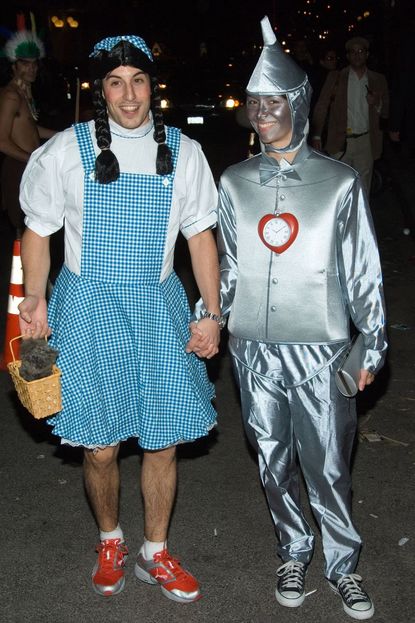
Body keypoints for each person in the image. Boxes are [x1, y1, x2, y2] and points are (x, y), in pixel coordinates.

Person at [190, 16, 387, 620]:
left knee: (327, 462)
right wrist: (209, 315)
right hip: (254, 348)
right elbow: (227, 264)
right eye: (255, 103)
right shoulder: (236, 181)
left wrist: (368, 349)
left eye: (275, 100)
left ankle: (342, 564)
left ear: (299, 104)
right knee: (270, 456)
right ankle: (294, 549)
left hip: (320, 348)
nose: (263, 111)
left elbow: (364, 273)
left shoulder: (340, 182)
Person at [18, 34, 222, 602]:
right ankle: (111, 539)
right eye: (115, 82)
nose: (128, 95)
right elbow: (38, 230)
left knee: (163, 442)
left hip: (158, 307)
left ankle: (155, 552)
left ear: (153, 86)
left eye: (137, 80)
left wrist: (212, 311)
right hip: (87, 308)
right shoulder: (66, 148)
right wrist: (33, 296)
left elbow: (200, 237)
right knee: (100, 447)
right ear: (100, 89)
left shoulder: (184, 151)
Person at [311, 36, 389, 195]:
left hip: (366, 142)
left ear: (367, 54)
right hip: (340, 142)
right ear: (347, 56)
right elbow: (322, 105)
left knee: (363, 188)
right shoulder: (336, 77)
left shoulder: (378, 79)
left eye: (361, 51)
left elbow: (387, 111)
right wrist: (317, 134)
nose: (357, 55)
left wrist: (377, 103)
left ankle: (361, 219)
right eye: (353, 52)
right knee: (338, 187)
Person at [0, 30, 55, 237]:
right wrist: (33, 158)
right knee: (23, 229)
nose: (32, 68)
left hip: (28, 165)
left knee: (34, 228)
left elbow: (31, 129)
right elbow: (2, 141)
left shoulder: (24, 94)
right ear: (14, 66)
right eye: (25, 63)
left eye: (34, 63)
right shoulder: (11, 96)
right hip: (18, 166)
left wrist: (61, 134)